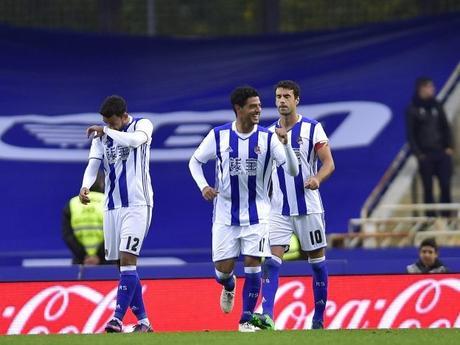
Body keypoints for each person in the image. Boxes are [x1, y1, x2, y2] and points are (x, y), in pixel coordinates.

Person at [188, 86, 299, 332]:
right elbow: (195, 162)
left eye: (259, 105)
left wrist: (287, 144)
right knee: (222, 270)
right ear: (239, 109)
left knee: (253, 263)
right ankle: (229, 285)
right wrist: (204, 186)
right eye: (253, 106)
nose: (258, 109)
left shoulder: (269, 137)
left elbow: (292, 170)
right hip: (225, 216)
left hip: (258, 215)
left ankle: (247, 319)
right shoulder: (218, 136)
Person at [251, 80, 335, 330]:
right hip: (279, 209)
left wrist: (317, 178)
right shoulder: (267, 134)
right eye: (278, 97)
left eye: (287, 96)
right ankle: (267, 316)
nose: (281, 101)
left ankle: (318, 318)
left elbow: (329, 163)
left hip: (309, 207)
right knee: (271, 261)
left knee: (318, 264)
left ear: (296, 99)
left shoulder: (313, 128)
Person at [79, 95, 154, 333]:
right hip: (112, 206)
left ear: (124, 116)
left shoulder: (143, 125)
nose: (109, 127)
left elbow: (134, 141)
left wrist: (106, 131)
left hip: (137, 204)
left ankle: (117, 319)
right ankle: (144, 322)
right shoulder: (103, 136)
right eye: (106, 123)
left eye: (113, 122)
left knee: (128, 259)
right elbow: (93, 164)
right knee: (121, 266)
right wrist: (86, 185)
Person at [406, 77, 454, 217]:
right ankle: (431, 218)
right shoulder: (412, 109)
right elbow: (411, 134)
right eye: (430, 87)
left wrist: (449, 147)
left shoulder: (437, 105)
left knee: (445, 185)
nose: (433, 89)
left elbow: (446, 127)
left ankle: (447, 216)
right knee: (428, 188)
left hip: (442, 153)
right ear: (422, 88)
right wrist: (419, 154)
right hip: (425, 155)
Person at [62, 171, 106, 265]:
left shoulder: (72, 204)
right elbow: (115, 233)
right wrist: (99, 255)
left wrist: (84, 256)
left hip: (80, 261)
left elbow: (68, 235)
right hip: (106, 261)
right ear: (102, 183)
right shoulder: (110, 202)